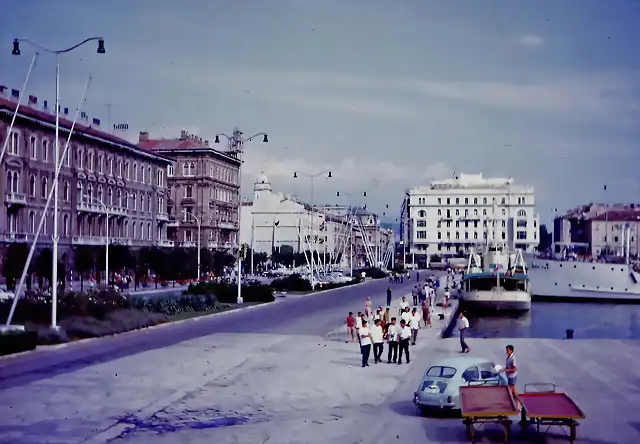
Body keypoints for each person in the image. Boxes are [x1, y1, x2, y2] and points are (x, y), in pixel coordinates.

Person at [500, 344, 520, 411]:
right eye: (506, 350)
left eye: (508, 350)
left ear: (511, 350)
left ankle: (512, 405)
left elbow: (514, 369)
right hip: (509, 376)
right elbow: (508, 366)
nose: (506, 351)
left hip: (512, 376)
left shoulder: (513, 358)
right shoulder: (508, 357)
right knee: (514, 392)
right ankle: (518, 405)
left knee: (510, 391)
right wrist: (503, 369)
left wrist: (507, 370)